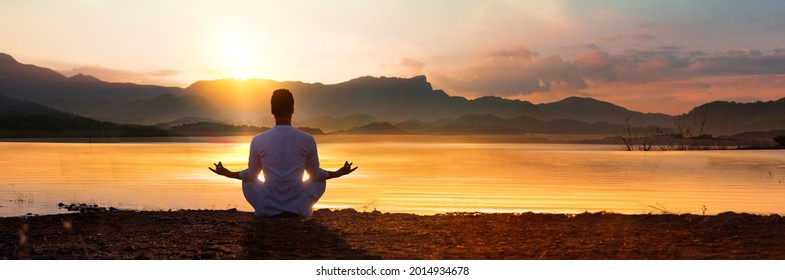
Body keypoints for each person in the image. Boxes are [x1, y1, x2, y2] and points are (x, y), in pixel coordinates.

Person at [209, 89, 357, 217]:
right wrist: (339, 173)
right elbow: (316, 175)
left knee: (247, 179)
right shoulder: (308, 139)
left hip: (267, 207)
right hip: (299, 207)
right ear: (293, 110)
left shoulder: (258, 140)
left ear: (272, 110)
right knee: (320, 179)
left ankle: (267, 208)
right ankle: (303, 207)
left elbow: (251, 176)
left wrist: (227, 173)